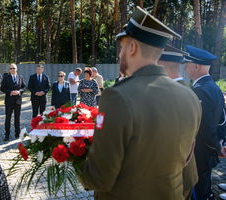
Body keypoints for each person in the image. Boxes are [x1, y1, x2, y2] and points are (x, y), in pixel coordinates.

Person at [78, 6, 202, 199]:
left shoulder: (117, 96)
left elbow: (99, 178)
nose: (119, 55)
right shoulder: (189, 96)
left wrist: (72, 155)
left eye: (122, 48)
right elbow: (186, 161)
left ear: (133, 48)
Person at [184, 45, 226, 200]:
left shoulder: (199, 90)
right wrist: (221, 142)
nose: (186, 68)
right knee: (204, 185)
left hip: (201, 152)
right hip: (210, 149)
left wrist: (215, 146)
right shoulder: (214, 87)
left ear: (196, 66)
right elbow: (223, 118)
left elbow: (204, 127)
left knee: (199, 190)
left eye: (187, 64)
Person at [158, 45, 198, 200]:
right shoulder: (187, 91)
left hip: (174, 178)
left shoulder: (169, 95)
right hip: (185, 173)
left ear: (160, 65)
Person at [1, 63, 26, 141]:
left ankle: (17, 134)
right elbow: (2, 88)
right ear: (9, 70)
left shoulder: (20, 77)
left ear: (16, 69)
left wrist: (19, 91)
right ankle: (7, 135)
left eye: (14, 68)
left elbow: (24, 87)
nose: (12, 70)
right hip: (9, 101)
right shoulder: (6, 77)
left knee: (17, 118)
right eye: (11, 68)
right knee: (8, 118)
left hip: (18, 101)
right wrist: (10, 92)